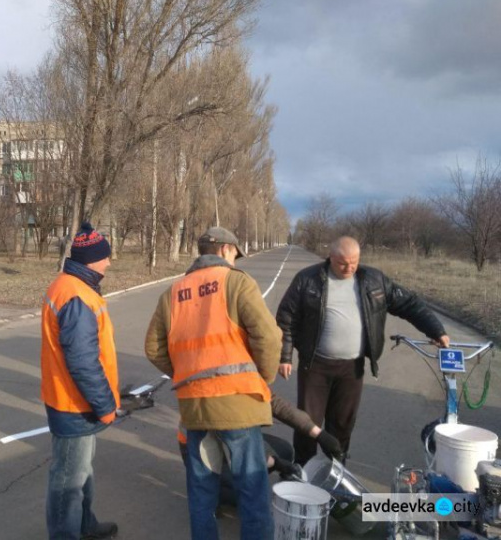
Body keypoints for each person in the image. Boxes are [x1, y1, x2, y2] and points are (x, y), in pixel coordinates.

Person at [145, 226, 281, 540]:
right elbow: (269, 336)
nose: (236, 261)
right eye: (235, 254)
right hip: (238, 403)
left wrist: (185, 374)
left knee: (202, 490)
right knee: (252, 489)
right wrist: (263, 377)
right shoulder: (236, 282)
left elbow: (153, 348)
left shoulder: (173, 292)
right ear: (223, 250)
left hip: (195, 408)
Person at [276, 236, 450, 466]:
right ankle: (303, 471)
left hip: (352, 368)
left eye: (354, 262)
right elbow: (286, 318)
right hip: (315, 366)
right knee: (308, 423)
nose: (349, 268)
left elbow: (408, 304)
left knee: (342, 424)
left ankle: (336, 472)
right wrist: (285, 356)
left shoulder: (374, 280)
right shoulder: (307, 280)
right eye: (342, 263)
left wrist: (435, 330)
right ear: (331, 257)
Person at [41, 223, 120, 540]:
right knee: (68, 481)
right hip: (73, 404)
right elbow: (83, 362)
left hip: (72, 401)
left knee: (81, 471)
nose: (110, 262)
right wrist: (104, 406)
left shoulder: (73, 286)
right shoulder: (75, 296)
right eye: (106, 257)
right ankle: (67, 534)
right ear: (92, 259)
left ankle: (85, 526)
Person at [176, 393, 344, 506]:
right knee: (252, 497)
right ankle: (210, 492)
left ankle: (370, 511)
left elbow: (280, 407)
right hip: (201, 450)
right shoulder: (222, 392)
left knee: (284, 450)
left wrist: (319, 435)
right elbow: (237, 440)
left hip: (232, 438)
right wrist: (276, 463)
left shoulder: (245, 375)